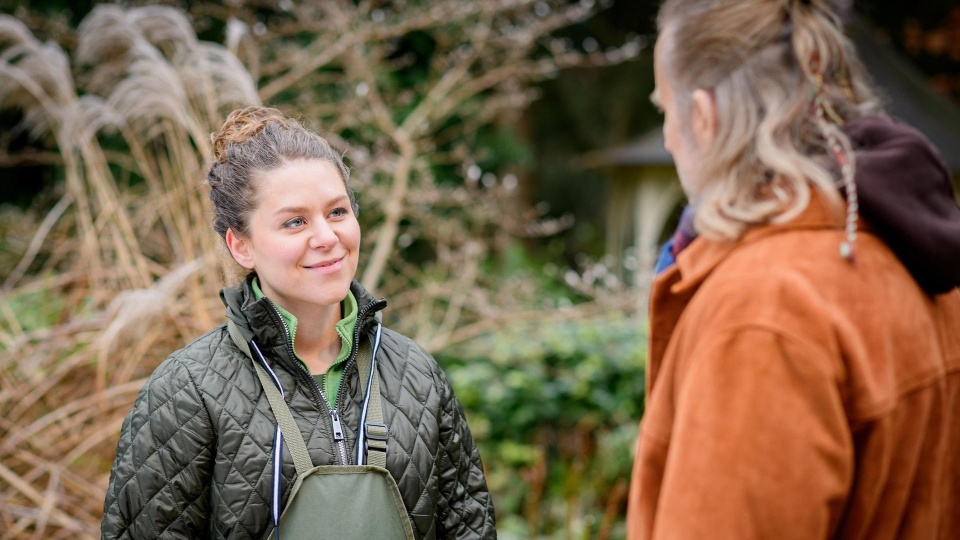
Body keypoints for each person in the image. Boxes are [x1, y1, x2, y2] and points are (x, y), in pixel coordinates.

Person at [628, 0, 960, 539]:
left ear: (704, 119)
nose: (667, 138)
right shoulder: (920, 257)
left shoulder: (762, 310)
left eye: (664, 109)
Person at [102, 106, 497, 539]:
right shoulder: (187, 391)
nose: (326, 237)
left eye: (338, 212)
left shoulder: (417, 375)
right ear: (241, 246)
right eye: (295, 222)